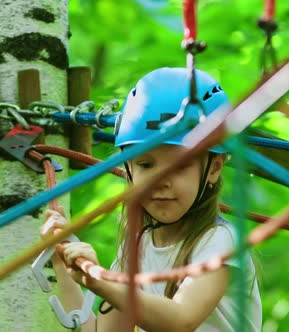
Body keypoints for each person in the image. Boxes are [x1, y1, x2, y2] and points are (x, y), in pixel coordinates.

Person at [41, 67, 262, 331]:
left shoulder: (221, 241)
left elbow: (180, 319)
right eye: (146, 164)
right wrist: (61, 260)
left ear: (214, 168)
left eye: (179, 166)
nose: (160, 180)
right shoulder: (136, 249)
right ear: (129, 168)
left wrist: (100, 281)